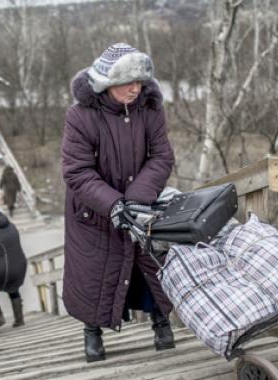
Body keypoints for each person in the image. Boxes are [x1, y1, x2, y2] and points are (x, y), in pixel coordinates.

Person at [61, 43, 176, 362]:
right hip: (92, 211)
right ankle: (92, 332)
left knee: (149, 264)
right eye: (128, 82)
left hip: (140, 205)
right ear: (106, 82)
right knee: (94, 271)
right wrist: (113, 204)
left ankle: (161, 322)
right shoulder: (80, 115)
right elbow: (76, 170)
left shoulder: (150, 107)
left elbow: (162, 156)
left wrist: (135, 201)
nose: (136, 89)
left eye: (140, 82)